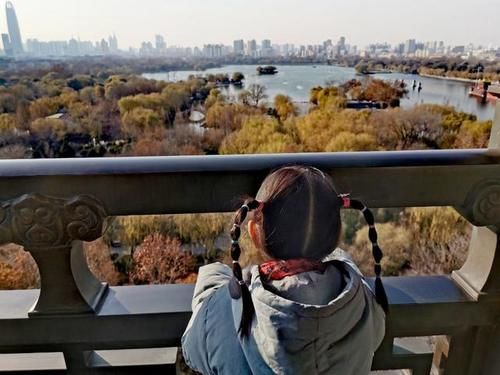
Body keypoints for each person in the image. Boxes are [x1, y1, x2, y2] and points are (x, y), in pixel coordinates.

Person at [182, 166, 387, 375]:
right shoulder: (361, 300)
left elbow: (192, 349)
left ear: (253, 232)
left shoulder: (227, 307)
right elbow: (377, 333)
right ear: (336, 233)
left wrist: (212, 275)